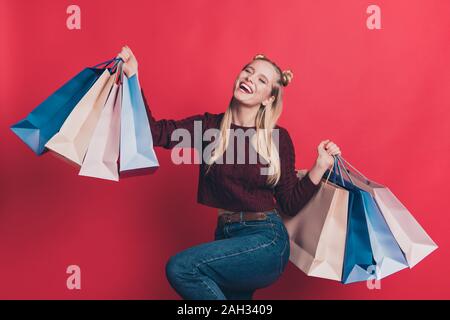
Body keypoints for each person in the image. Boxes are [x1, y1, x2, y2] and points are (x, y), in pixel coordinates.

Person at [117, 45, 342, 300]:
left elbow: (289, 203)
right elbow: (155, 132)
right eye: (248, 71)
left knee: (182, 268)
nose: (249, 78)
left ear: (268, 98)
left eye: (261, 80)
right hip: (225, 236)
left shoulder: (277, 139)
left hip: (266, 239)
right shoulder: (209, 128)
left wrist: (320, 166)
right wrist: (133, 77)